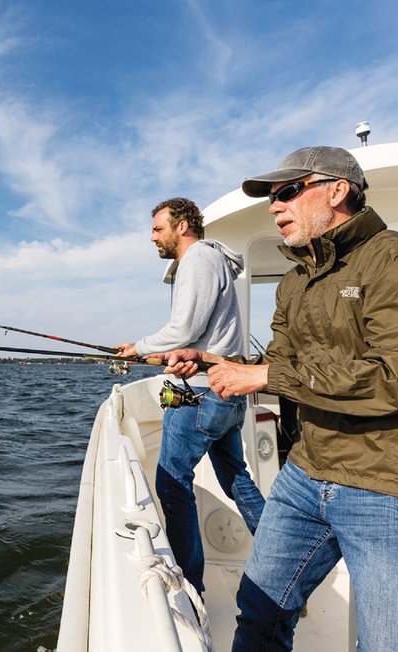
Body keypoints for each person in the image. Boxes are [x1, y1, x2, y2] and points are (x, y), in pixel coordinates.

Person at [164, 146, 398, 651]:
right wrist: (212, 364)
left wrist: (267, 373)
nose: (275, 205)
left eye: (288, 191)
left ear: (338, 191)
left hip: (395, 487)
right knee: (259, 611)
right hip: (308, 473)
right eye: (272, 197)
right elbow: (283, 364)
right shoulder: (295, 283)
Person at [116, 197, 265, 595]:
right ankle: (279, 562)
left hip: (199, 392)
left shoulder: (197, 258)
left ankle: (191, 586)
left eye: (157, 229)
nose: (152, 238)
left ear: (183, 226)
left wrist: (139, 347)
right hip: (219, 391)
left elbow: (183, 329)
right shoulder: (212, 260)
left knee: (171, 484)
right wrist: (154, 350)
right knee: (236, 479)